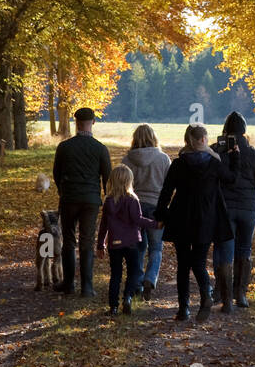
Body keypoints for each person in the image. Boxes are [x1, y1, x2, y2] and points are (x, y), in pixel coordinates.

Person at [154, 124, 236, 323]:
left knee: (183, 264)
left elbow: (166, 191)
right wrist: (235, 157)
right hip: (206, 219)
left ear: (187, 141)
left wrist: (161, 215)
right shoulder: (214, 163)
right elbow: (231, 179)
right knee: (198, 261)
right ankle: (205, 297)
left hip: (181, 217)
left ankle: (183, 309)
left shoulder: (179, 164)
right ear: (203, 140)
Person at [210, 111, 255, 311]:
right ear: (244, 131)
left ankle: (221, 294)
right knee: (244, 250)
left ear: (226, 130)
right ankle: (241, 294)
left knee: (223, 250)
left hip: (224, 209)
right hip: (248, 209)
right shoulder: (254, 153)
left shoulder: (217, 150)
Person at [51, 107, 111, 297]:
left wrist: (63, 190)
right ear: (93, 122)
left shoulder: (64, 147)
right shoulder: (100, 149)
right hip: (91, 200)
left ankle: (69, 283)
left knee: (68, 240)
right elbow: (107, 178)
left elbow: (56, 173)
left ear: (75, 123)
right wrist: (105, 197)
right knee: (86, 241)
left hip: (69, 197)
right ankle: (87, 286)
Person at [96, 164, 158, 315]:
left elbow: (103, 225)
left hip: (114, 244)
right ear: (129, 181)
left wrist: (100, 244)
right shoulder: (132, 200)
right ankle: (127, 298)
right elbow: (138, 220)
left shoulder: (109, 201)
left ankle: (113, 307)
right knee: (134, 272)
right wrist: (155, 224)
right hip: (131, 243)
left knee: (115, 274)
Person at [122, 124, 171, 301]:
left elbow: (122, 185)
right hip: (157, 206)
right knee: (156, 247)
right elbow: (169, 185)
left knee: (137, 247)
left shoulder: (127, 161)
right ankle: (150, 278)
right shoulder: (163, 159)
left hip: (134, 207)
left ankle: (136, 282)